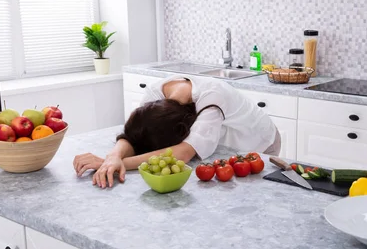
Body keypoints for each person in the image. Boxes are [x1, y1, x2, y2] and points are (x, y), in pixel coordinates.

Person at [73, 75, 281, 188]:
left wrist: (117, 164)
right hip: (222, 145)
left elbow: (184, 152)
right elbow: (133, 134)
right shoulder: (157, 93)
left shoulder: (212, 98)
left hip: (257, 140)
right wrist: (112, 157)